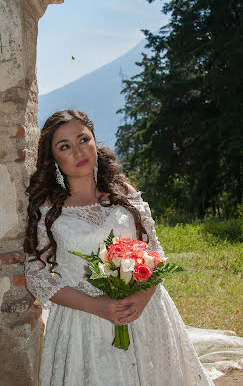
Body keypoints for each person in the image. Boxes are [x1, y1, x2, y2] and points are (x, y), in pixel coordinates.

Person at [24, 110, 214, 386]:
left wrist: (143, 297)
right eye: (65, 146)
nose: (78, 151)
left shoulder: (123, 191)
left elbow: (155, 252)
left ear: (94, 142)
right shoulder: (48, 209)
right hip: (84, 322)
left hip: (145, 311)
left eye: (83, 139)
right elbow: (36, 275)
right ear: (54, 160)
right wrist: (99, 306)